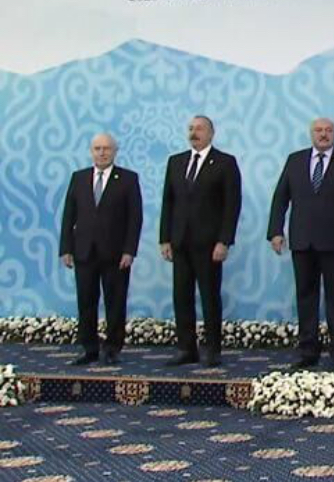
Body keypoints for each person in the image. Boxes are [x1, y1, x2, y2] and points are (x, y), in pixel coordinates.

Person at [268, 118, 334, 370]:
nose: (323, 134)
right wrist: (275, 231)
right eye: (319, 130)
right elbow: (280, 197)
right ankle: (308, 351)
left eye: (328, 130)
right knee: (305, 297)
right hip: (302, 241)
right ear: (311, 133)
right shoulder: (295, 160)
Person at [159, 115, 242, 368]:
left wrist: (224, 241)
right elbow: (168, 202)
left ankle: (213, 350)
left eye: (199, 129)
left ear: (211, 133)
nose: (194, 133)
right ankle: (186, 349)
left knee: (209, 297)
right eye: (191, 128)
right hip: (180, 242)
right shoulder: (176, 162)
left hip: (209, 244)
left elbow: (232, 205)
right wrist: (165, 238)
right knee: (181, 296)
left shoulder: (225, 163)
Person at [59, 133, 143, 366]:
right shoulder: (79, 178)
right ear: (91, 151)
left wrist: (129, 250)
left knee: (115, 302)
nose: (102, 152)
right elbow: (69, 215)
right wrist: (66, 248)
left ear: (115, 151)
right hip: (84, 251)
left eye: (106, 148)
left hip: (116, 254)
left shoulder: (128, 179)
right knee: (86, 301)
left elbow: (135, 218)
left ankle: (112, 348)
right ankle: (89, 348)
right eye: (97, 148)